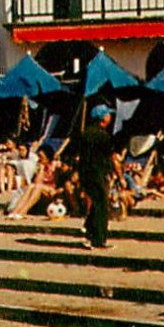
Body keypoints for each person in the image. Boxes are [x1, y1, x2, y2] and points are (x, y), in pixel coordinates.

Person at [68, 105, 118, 249]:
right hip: (98, 173)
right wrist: (118, 175)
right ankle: (98, 239)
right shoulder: (103, 136)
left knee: (97, 203)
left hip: (86, 173)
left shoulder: (85, 134)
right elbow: (111, 157)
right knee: (101, 205)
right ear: (103, 118)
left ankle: (89, 229)